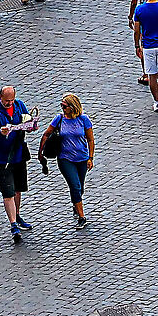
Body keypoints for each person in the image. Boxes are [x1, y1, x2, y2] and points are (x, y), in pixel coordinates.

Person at [0, 86, 36, 241]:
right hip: (2, 159)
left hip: (18, 155)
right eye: (7, 101)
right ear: (0, 97)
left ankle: (17, 216)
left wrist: (31, 126)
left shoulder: (19, 105)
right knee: (8, 193)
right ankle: (13, 225)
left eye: (12, 100)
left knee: (18, 189)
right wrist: (0, 132)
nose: (10, 103)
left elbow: (27, 121)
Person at [51, 93, 93, 226]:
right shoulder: (59, 119)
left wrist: (90, 157)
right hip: (65, 158)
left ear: (72, 107)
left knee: (80, 187)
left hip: (82, 158)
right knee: (74, 185)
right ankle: (82, 217)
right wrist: (41, 153)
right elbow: (47, 134)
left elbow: (90, 139)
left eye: (64, 106)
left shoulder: (83, 119)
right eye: (61, 105)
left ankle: (76, 203)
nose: (62, 108)